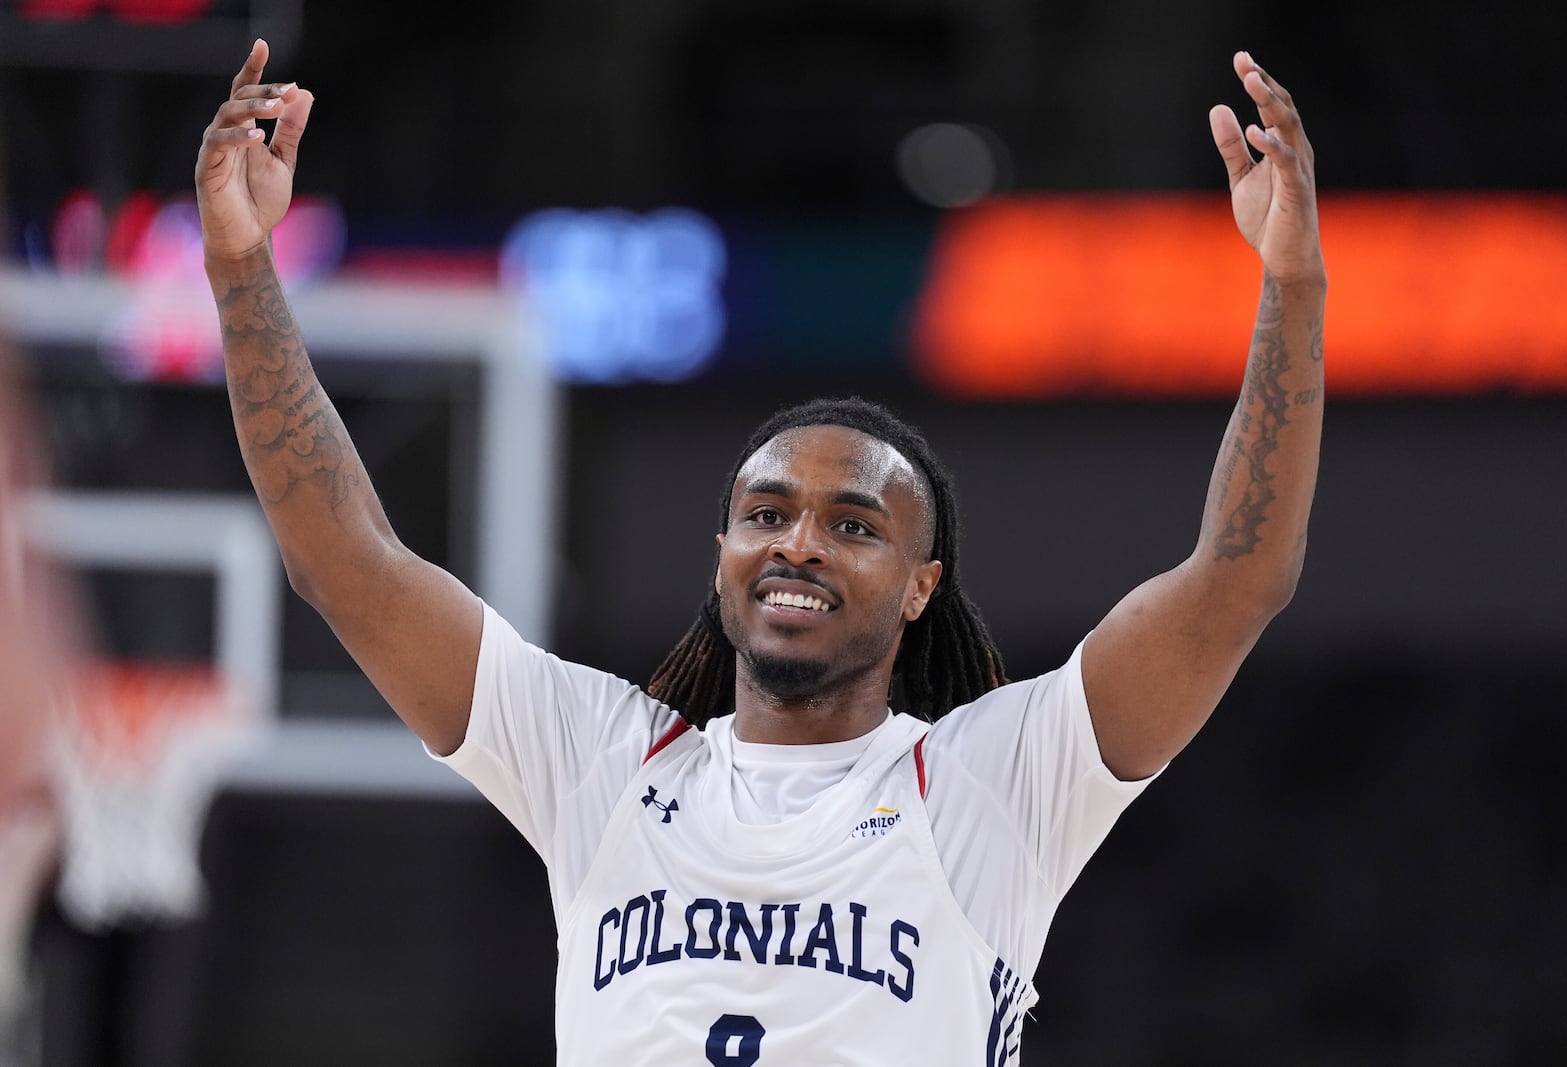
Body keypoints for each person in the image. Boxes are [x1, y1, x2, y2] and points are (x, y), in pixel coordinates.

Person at [196, 40, 1324, 1064]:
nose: (799, 543)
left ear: (921, 585)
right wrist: (244, 264)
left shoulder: (995, 780)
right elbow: (345, 560)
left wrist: (1291, 283)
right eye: (768, 512)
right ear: (723, 549)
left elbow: (1236, 580)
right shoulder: (602, 761)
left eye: (854, 524)